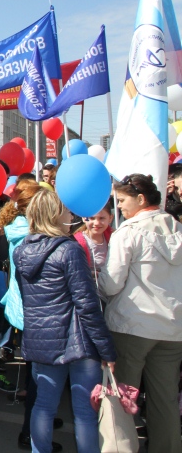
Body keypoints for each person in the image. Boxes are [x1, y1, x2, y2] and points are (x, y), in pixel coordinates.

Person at [13, 189, 116, 453]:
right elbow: (87, 304)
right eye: (67, 210)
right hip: (77, 341)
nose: (72, 214)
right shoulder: (69, 250)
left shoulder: (22, 251)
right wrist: (106, 349)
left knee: (43, 406)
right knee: (84, 413)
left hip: (41, 339)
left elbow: (28, 298)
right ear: (55, 214)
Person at [98, 174, 182, 453]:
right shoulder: (178, 230)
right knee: (164, 399)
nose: (119, 206)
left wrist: (94, 279)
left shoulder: (129, 232)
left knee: (120, 396)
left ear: (141, 199)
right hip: (172, 329)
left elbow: (111, 284)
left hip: (131, 326)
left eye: (122, 200)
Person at [0, 182, 63, 451]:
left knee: (36, 374)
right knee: (38, 377)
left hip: (24, 308)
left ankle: (39, 422)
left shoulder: (18, 230)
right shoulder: (30, 236)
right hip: (34, 310)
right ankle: (31, 431)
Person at [73, 200, 113, 273]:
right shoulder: (76, 242)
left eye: (102, 218)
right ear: (84, 218)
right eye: (92, 218)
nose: (97, 223)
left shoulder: (114, 237)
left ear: (110, 218)